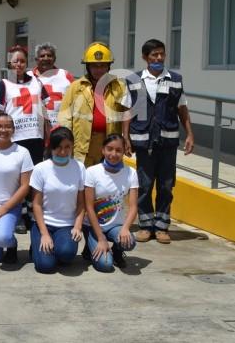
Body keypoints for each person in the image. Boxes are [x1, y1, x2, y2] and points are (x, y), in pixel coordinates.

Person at [122, 39, 194, 244]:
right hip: (143, 142)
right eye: (154, 55)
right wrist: (125, 136)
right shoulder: (133, 80)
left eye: (161, 54)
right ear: (145, 57)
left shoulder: (175, 79)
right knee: (144, 185)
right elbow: (127, 110)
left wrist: (190, 133)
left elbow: (183, 109)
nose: (159, 58)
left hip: (168, 142)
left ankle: (162, 226)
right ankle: (145, 226)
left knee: (166, 185)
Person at [58, 42, 127, 167]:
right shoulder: (76, 87)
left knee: (107, 182)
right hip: (83, 146)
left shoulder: (119, 86)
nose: (99, 70)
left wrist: (126, 139)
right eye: (94, 66)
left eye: (103, 66)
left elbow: (128, 114)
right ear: (88, 67)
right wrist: (66, 143)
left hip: (109, 145)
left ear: (109, 67)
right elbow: (65, 117)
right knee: (83, 183)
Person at [0, 114, 33, 263]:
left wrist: (4, 208)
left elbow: (25, 186)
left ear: (14, 130)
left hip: (10, 208)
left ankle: (12, 244)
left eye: (8, 126)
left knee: (2, 238)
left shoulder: (22, 152)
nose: (3, 129)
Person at [30, 127, 85, 274]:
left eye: (67, 147)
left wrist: (77, 227)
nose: (63, 152)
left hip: (67, 226)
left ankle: (56, 248)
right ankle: (38, 245)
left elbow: (81, 203)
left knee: (66, 254)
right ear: (51, 147)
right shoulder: (40, 169)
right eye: (58, 147)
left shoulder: (79, 167)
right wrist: (45, 234)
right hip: (44, 223)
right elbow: (36, 204)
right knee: (45, 266)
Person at [84, 134, 138, 271]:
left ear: (124, 151)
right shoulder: (92, 172)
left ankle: (117, 252)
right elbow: (89, 208)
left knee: (129, 242)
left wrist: (125, 228)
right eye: (109, 149)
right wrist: (101, 239)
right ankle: (90, 247)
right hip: (94, 226)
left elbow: (133, 207)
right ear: (103, 150)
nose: (113, 154)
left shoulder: (131, 173)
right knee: (106, 265)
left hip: (115, 227)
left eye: (118, 150)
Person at [0, 45, 49, 165]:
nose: (19, 64)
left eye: (22, 61)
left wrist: (48, 137)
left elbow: (45, 111)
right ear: (9, 63)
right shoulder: (2, 85)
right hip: (14, 139)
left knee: (34, 179)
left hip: (36, 137)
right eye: (15, 61)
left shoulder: (37, 81)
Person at [32, 42, 74, 128]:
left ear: (54, 59)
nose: (46, 58)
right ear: (36, 59)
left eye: (49, 55)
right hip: (35, 129)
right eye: (42, 56)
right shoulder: (29, 77)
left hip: (61, 127)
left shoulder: (65, 75)